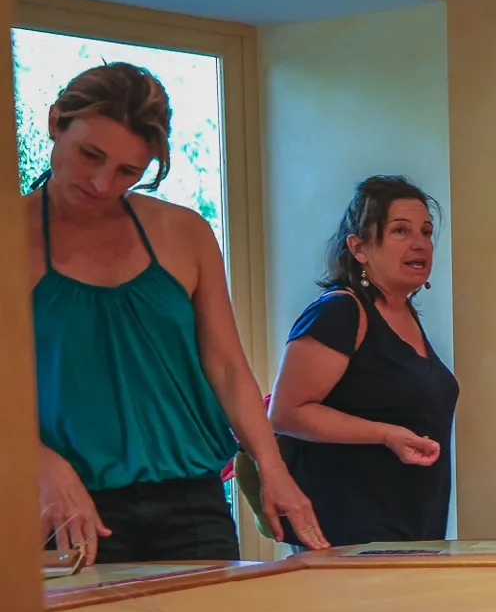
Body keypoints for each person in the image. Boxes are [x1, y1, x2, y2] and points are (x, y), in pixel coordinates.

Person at [30, 62, 324, 564]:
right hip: (67, 508)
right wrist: (37, 461)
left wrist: (272, 468)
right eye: (90, 155)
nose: (102, 183)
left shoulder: (185, 233)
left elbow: (227, 367)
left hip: (192, 502)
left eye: (128, 172)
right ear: (56, 121)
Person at [270, 177, 459, 547]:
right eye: (400, 231)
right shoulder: (340, 311)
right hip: (347, 534)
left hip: (413, 530)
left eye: (426, 232)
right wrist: (385, 434)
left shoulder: (405, 315)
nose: (420, 243)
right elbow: (286, 412)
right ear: (358, 248)